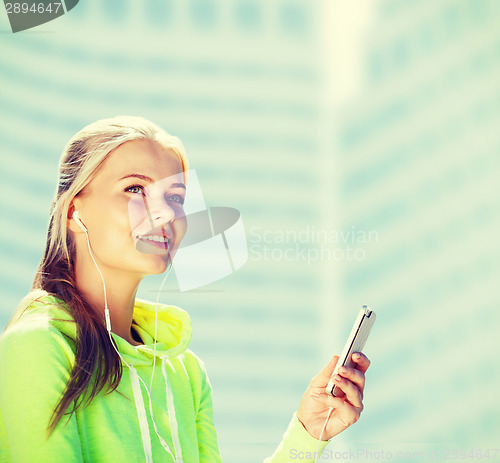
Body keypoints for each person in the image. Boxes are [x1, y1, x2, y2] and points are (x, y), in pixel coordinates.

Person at [0, 116, 371, 462]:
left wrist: (308, 432)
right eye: (135, 189)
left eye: (175, 197)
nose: (164, 213)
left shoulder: (185, 372)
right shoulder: (37, 345)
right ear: (73, 211)